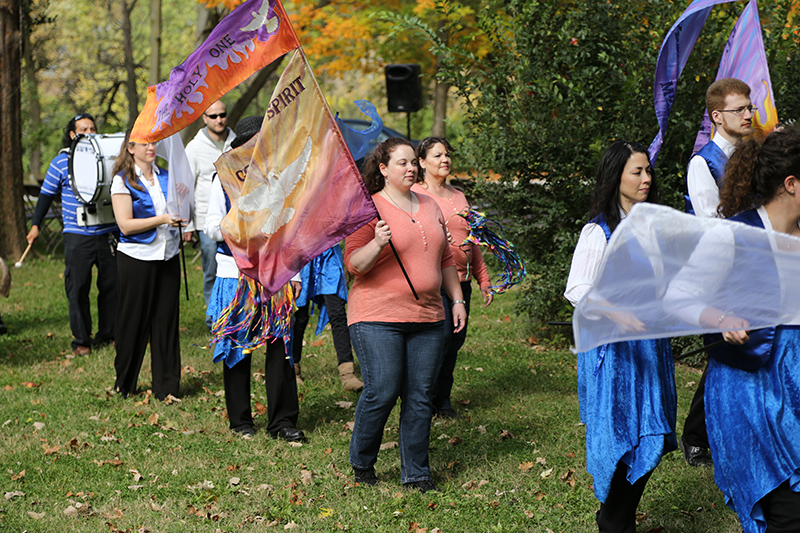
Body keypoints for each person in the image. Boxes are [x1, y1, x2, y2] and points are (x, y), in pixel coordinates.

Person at [666, 127, 800, 533]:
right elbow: (678, 296)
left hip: (797, 381)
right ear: (792, 184)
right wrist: (719, 318)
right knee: (785, 510)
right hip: (750, 391)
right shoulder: (732, 236)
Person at [564, 141, 676, 533]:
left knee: (654, 435)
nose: (647, 179)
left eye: (648, 171)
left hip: (651, 348)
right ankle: (614, 521)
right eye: (637, 172)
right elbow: (577, 289)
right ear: (616, 178)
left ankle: (619, 517)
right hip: (614, 355)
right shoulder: (598, 231)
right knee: (621, 439)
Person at [345, 138, 467, 493]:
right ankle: (362, 461)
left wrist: (457, 300)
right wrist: (378, 242)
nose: (411, 168)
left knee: (420, 396)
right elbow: (355, 265)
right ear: (382, 169)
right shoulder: (368, 209)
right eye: (402, 163)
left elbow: (444, 258)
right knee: (382, 390)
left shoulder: (430, 205)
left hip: (429, 316)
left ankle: (416, 473)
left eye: (414, 162)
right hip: (376, 316)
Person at [205, 115, 305, 442]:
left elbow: (291, 231)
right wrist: (239, 223)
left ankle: (282, 421)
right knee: (238, 344)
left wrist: (297, 274)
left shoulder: (278, 177)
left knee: (281, 346)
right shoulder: (221, 179)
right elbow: (208, 227)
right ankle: (241, 421)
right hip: (236, 275)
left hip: (277, 274)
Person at [682, 78, 755, 467]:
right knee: (724, 355)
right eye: (739, 109)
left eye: (749, 108)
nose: (748, 114)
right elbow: (711, 225)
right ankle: (696, 435)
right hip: (720, 275)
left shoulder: (755, 154)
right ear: (717, 116)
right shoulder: (703, 163)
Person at [411, 137, 493, 418]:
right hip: (434, 281)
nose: (445, 160)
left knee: (455, 341)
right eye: (437, 156)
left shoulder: (459, 196)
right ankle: (427, 400)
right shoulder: (415, 195)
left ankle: (441, 399)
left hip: (463, 281)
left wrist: (483, 279)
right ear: (421, 162)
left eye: (447, 155)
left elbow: (473, 240)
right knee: (442, 338)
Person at [26, 113, 118, 356]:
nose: (89, 133)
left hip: (108, 232)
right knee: (77, 287)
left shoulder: (109, 158)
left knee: (111, 285)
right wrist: (35, 225)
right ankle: (81, 340)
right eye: (83, 129)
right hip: (77, 235)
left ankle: (108, 333)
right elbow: (45, 196)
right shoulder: (60, 162)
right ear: (72, 135)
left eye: (92, 128)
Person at [110, 132, 183, 401]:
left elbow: (177, 210)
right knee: (133, 322)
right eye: (145, 143)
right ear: (131, 148)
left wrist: (180, 216)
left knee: (166, 322)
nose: (151, 147)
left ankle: (167, 387)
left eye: (153, 142)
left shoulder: (167, 175)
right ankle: (125, 383)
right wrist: (163, 218)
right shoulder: (121, 181)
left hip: (167, 256)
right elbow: (126, 226)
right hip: (136, 258)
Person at [185, 100, 236, 327]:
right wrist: (186, 224)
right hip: (206, 218)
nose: (219, 120)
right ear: (204, 118)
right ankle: (212, 315)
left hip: (236, 218)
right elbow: (185, 186)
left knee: (232, 266)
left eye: (222, 115)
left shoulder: (237, 143)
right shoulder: (194, 148)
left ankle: (233, 309)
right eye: (213, 116)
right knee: (211, 268)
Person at [292, 245, 364, 391]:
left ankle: (347, 374)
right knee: (299, 316)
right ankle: (293, 371)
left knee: (337, 312)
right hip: (299, 253)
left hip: (328, 253)